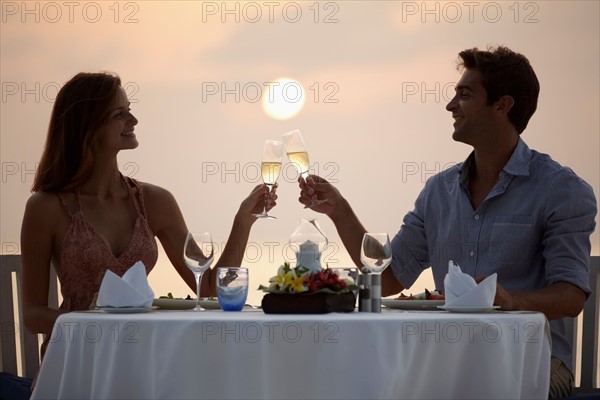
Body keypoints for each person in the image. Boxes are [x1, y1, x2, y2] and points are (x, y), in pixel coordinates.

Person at [298, 46, 597, 398]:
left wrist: (508, 300)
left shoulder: (560, 190)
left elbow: (571, 297)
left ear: (503, 105)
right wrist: (340, 211)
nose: (450, 105)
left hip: (532, 364)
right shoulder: (438, 190)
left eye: (465, 95)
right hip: (446, 360)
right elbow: (390, 276)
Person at [20, 72, 277, 352]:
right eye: (120, 114)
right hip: (77, 355)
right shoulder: (46, 207)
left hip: (141, 352)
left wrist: (243, 221)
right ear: (88, 126)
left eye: (129, 111)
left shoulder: (155, 201)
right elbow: (33, 317)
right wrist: (92, 326)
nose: (133, 121)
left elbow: (210, 291)